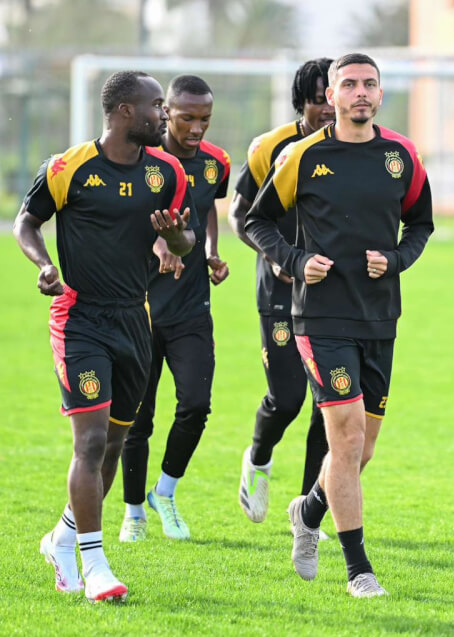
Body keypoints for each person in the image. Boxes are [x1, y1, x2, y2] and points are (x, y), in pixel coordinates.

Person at [244, 53, 433, 598]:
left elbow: (421, 224)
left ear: (380, 93)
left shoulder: (401, 157)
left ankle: (306, 511)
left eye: (369, 84)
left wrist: (396, 259)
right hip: (319, 318)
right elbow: (257, 221)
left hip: (379, 316)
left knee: (360, 451)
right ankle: (359, 570)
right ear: (330, 94)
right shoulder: (303, 156)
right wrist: (296, 260)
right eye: (348, 84)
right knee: (346, 438)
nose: (360, 93)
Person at [14, 71, 196, 602]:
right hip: (79, 319)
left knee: (115, 444)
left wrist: (174, 237)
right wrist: (45, 264)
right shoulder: (68, 167)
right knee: (91, 441)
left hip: (133, 320)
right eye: (156, 106)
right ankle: (94, 566)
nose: (164, 115)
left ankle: (63, 539)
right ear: (122, 113)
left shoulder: (166, 173)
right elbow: (26, 221)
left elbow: (183, 240)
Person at [119, 75, 231, 543]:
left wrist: (206, 251)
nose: (197, 128)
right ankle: (132, 513)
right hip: (140, 307)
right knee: (137, 418)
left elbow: (204, 209)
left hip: (191, 307)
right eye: (187, 118)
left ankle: (164, 492)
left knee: (196, 404)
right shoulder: (143, 163)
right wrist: (160, 245)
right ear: (166, 113)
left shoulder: (215, 163)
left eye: (205, 119)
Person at [229, 58, 333, 525]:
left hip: (337, 297)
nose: (328, 109)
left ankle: (309, 508)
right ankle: (259, 457)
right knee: (288, 399)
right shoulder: (271, 147)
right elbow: (240, 215)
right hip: (280, 292)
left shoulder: (361, 148)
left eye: (332, 98)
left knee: (329, 406)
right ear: (302, 102)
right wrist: (273, 256)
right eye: (318, 101)